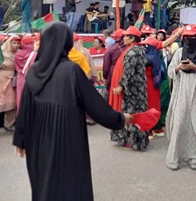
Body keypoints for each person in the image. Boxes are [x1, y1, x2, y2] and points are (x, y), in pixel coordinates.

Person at [13, 23, 132, 201]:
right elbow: (96, 106)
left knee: (43, 184)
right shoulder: (71, 71)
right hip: (66, 140)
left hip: (37, 141)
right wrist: (121, 119)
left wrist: (20, 140)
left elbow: (25, 109)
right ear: (66, 43)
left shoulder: (34, 71)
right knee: (69, 185)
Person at [165, 25, 196, 170]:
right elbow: (170, 71)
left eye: (192, 36)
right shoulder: (179, 52)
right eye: (186, 37)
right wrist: (179, 67)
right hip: (182, 92)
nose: (189, 39)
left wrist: (195, 68)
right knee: (179, 122)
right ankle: (175, 157)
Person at [109, 26, 149, 151]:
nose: (124, 38)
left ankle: (134, 141)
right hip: (140, 86)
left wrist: (120, 86)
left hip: (132, 89)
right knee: (139, 113)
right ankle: (140, 141)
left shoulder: (132, 52)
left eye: (126, 36)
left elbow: (128, 72)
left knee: (131, 114)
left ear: (132, 39)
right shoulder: (140, 49)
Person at [0, 35, 21, 138]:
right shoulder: (0, 52)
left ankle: (8, 125)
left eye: (18, 43)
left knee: (11, 103)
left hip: (11, 79)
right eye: (14, 43)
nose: (16, 45)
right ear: (8, 43)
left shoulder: (18, 54)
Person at [142, 37, 165, 138]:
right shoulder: (156, 56)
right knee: (155, 105)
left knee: (148, 105)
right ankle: (157, 128)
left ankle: (149, 130)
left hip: (147, 83)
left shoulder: (147, 58)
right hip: (156, 84)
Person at [14, 35, 37, 113]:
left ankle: (19, 115)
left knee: (20, 96)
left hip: (20, 77)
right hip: (31, 78)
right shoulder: (34, 54)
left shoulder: (17, 54)